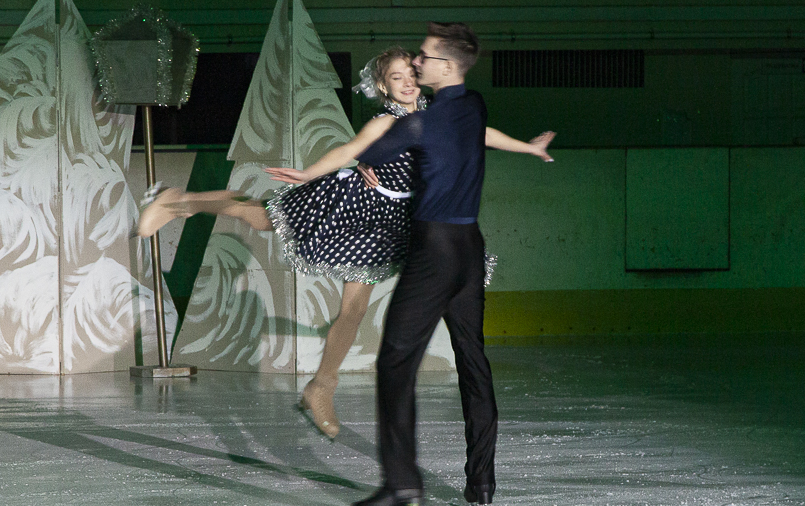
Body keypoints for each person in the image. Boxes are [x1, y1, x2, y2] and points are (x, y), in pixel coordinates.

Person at [138, 47, 552, 443]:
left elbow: (480, 134)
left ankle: (321, 386)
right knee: (264, 216)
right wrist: (307, 174)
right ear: (384, 87)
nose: (407, 83)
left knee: (352, 313)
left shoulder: (439, 114)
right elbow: (350, 149)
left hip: (403, 222)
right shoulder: (383, 122)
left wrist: (528, 147)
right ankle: (180, 201)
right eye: (396, 78)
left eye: (411, 74)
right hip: (358, 211)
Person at [348, 22, 505, 506]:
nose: (417, 63)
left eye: (424, 56)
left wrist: (367, 152)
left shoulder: (422, 124)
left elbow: (371, 154)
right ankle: (481, 482)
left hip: (435, 251)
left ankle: (402, 487)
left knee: (395, 360)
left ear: (446, 66)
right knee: (473, 361)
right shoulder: (473, 106)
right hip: (470, 250)